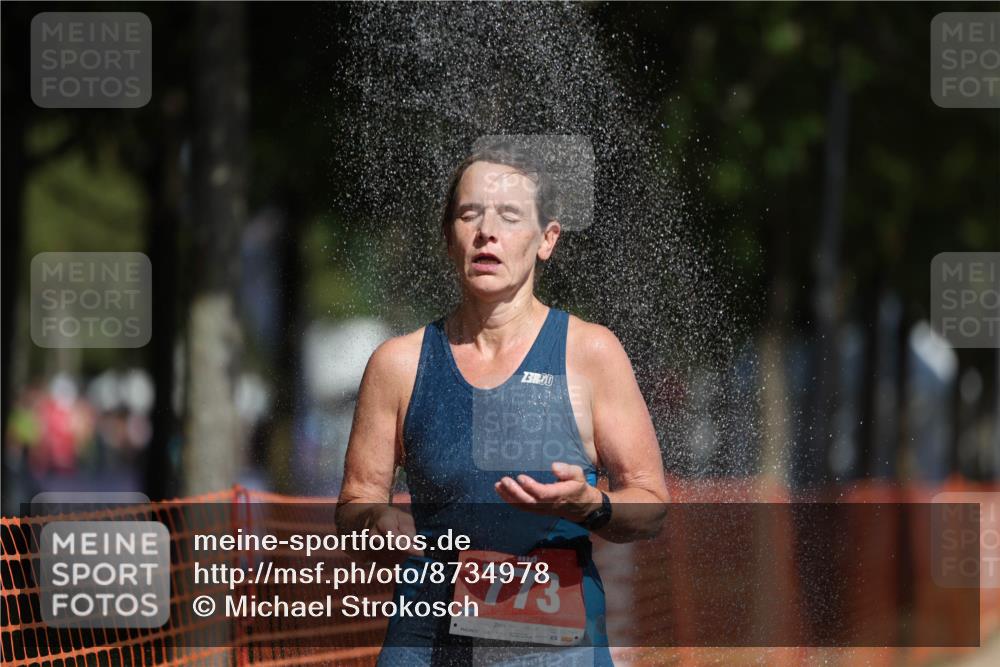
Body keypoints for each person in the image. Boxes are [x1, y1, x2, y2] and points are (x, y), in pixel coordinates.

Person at [337, 143, 669, 666]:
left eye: (509, 216)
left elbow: (650, 505)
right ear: (450, 238)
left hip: (555, 645)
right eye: (469, 214)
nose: (486, 230)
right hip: (426, 642)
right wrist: (376, 522)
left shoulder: (590, 352)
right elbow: (357, 500)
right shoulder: (397, 364)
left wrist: (589, 505)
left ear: (546, 240)